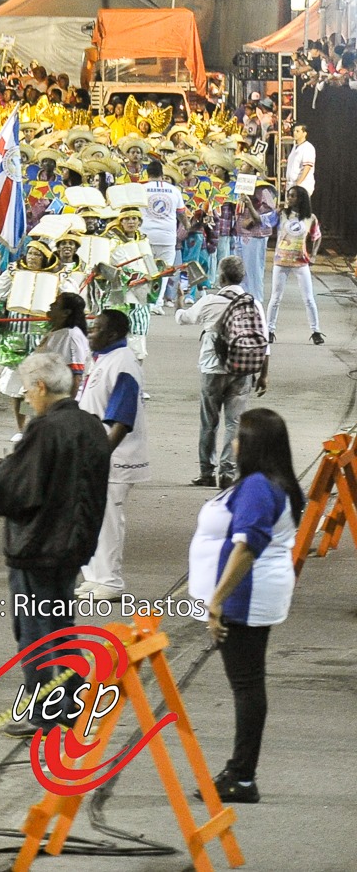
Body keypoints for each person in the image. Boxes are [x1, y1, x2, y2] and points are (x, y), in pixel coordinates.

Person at [0, 351, 111, 735]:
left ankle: (45, 709)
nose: (27, 398)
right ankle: (70, 699)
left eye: (27, 390)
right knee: (61, 625)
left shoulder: (45, 429)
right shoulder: (90, 426)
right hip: (75, 543)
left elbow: (16, 492)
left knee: (35, 630)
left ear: (39, 387)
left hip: (38, 546)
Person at [190, 407, 305, 806]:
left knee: (247, 684)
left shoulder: (259, 486)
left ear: (253, 445)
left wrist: (217, 600)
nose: (234, 442)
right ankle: (239, 771)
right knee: (248, 682)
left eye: (239, 435)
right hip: (255, 594)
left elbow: (247, 545)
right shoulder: (274, 482)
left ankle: (241, 775)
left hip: (246, 596)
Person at [178, 257, 269, 489]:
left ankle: (206, 472)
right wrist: (263, 374)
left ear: (221, 277)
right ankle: (228, 473)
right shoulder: (254, 303)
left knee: (209, 422)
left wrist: (181, 300)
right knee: (234, 423)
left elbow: (184, 318)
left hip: (213, 367)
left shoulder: (210, 301)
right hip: (243, 369)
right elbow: (265, 341)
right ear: (242, 277)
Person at [76, 309, 146, 599]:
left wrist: (101, 456)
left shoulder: (123, 363)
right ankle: (93, 575)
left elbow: (122, 418)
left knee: (107, 519)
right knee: (91, 516)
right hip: (93, 454)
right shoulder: (103, 358)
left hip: (112, 458)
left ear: (114, 334)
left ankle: (110, 581)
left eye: (97, 329)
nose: (91, 332)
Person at [1, 293, 90, 431]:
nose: (50, 305)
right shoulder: (57, 333)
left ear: (66, 313)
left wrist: (67, 408)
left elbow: (76, 376)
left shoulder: (71, 336)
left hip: (58, 406)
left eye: (56, 304)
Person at [265, 185, 323, 346]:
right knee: (275, 298)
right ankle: (269, 331)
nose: (289, 198)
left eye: (292, 196)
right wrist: (273, 213)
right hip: (281, 260)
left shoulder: (310, 218)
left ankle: (316, 331)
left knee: (309, 298)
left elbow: (317, 237)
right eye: (288, 195)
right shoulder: (282, 214)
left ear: (301, 198)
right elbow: (267, 224)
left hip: (300, 261)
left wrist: (314, 255)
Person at [142, 161, 186, 314]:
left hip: (145, 236)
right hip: (167, 236)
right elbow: (181, 213)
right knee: (164, 272)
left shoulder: (141, 189)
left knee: (147, 270)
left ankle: (146, 304)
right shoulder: (174, 190)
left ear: (147, 174)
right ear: (162, 174)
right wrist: (187, 226)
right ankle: (157, 303)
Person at [283, 124, 315, 196]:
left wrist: (298, 184)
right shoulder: (295, 147)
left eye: (297, 131)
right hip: (292, 185)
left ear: (304, 133)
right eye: (294, 131)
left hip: (302, 185)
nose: (295, 133)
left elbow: (307, 167)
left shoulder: (308, 147)